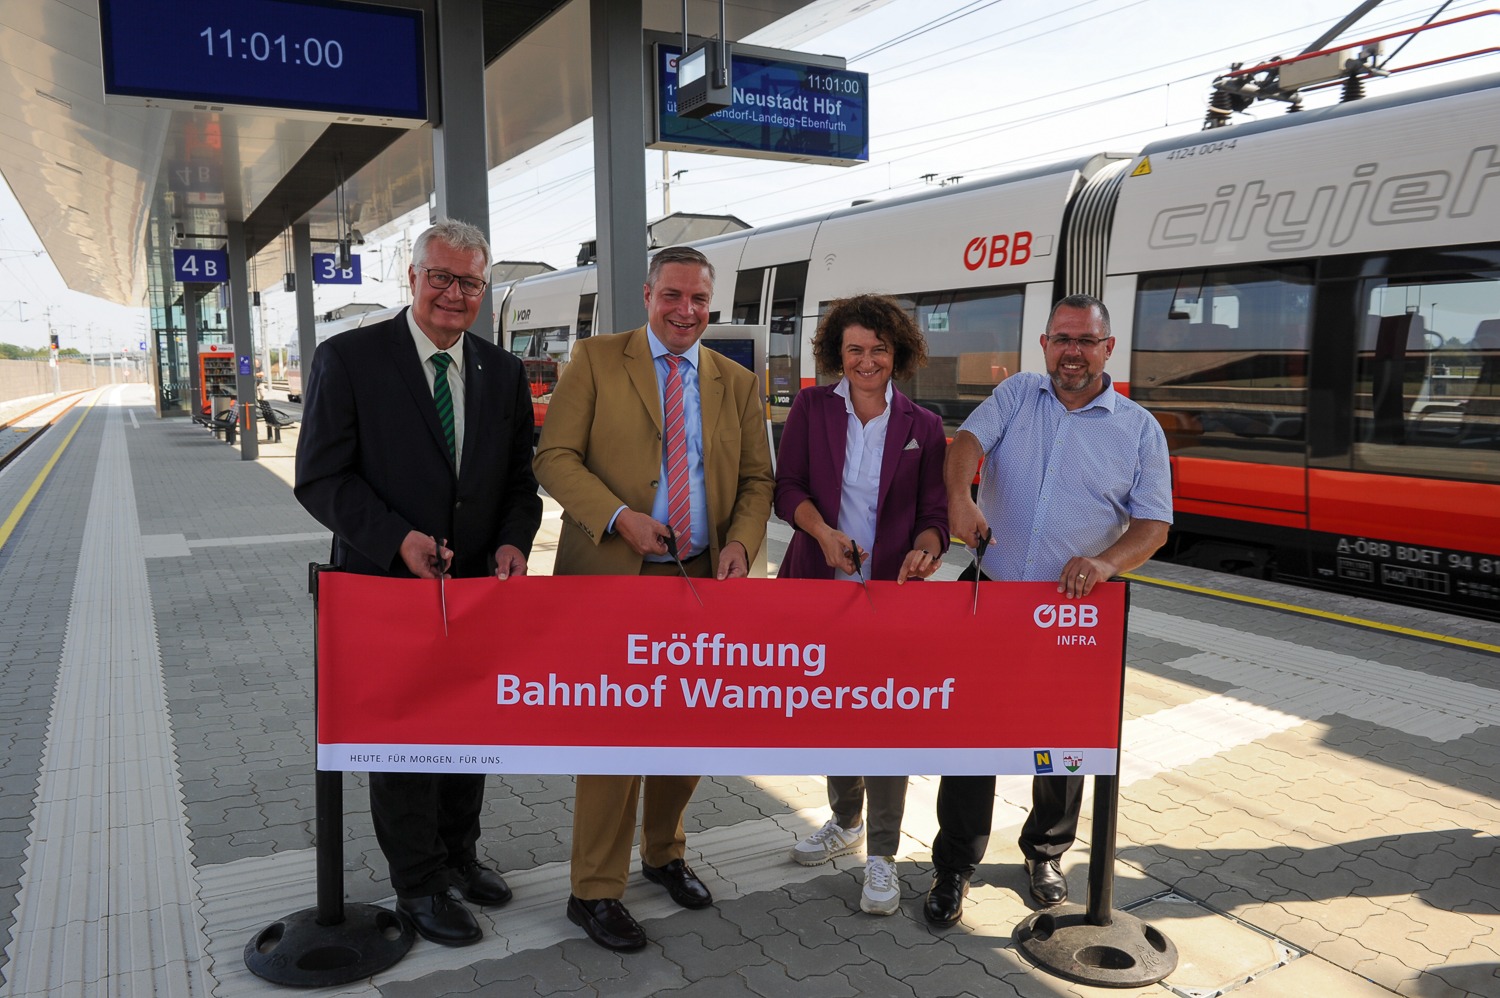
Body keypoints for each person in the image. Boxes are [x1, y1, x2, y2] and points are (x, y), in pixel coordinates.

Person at [294, 219, 543, 947]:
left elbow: (520, 483)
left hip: (474, 591)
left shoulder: (501, 372)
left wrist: (513, 541)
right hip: (384, 589)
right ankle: (419, 882)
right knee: (404, 743)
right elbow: (320, 477)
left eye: (470, 282)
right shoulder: (350, 359)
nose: (454, 294)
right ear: (412, 278)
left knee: (468, 730)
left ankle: (459, 855)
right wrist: (396, 539)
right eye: (441, 277)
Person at [532, 245, 774, 951]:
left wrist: (742, 544)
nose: (685, 311)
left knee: (688, 730)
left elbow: (758, 480)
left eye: (699, 299)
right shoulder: (596, 360)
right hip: (614, 578)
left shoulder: (735, 381)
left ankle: (664, 853)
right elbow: (554, 458)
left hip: (701, 580)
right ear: (647, 296)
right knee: (613, 737)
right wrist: (618, 517)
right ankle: (593, 890)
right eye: (673, 295)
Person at [923, 293, 1172, 927]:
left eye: (1086, 340)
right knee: (972, 736)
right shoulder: (1017, 394)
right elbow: (967, 442)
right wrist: (960, 498)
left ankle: (1046, 854)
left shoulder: (1139, 428)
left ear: (1108, 348)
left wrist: (1106, 563)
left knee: (1061, 744)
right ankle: (954, 864)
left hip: (1072, 609)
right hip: (993, 590)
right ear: (1044, 344)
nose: (1072, 352)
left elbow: (1154, 525)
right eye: (1062, 339)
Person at [774, 294, 948, 915]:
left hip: (892, 598)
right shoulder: (811, 407)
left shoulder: (924, 426)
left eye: (878, 349)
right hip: (819, 589)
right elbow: (786, 489)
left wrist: (927, 549)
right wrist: (824, 535)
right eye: (855, 349)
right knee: (832, 712)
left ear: (898, 354)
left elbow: (934, 516)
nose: (867, 361)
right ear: (837, 354)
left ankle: (882, 856)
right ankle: (846, 820)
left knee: (885, 722)